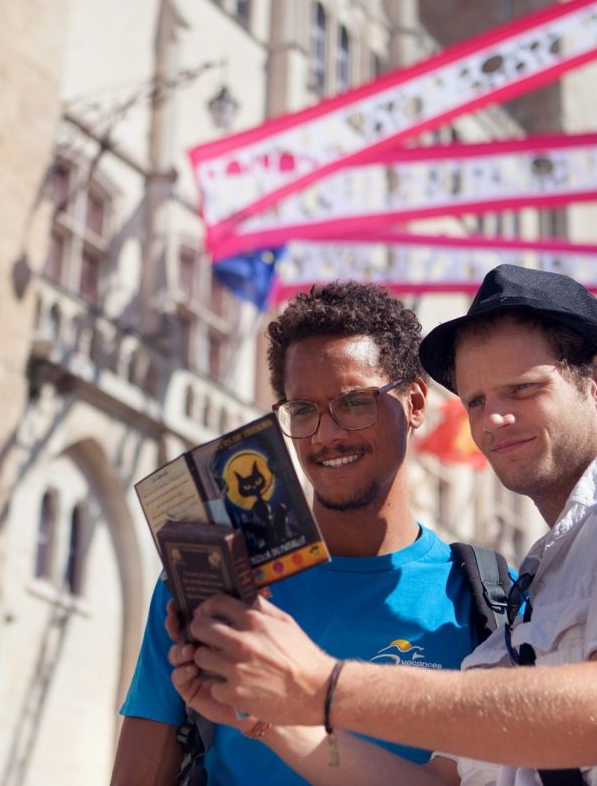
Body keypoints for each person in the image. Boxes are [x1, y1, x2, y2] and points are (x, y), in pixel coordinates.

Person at [171, 264, 597, 785]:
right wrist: (268, 715)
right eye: (476, 400)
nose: (492, 419)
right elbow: (438, 783)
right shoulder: (531, 591)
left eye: (521, 389)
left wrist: (324, 685)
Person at [112, 281, 487, 785]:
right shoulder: (216, 583)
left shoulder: (488, 601)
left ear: (416, 401)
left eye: (354, 403)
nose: (327, 435)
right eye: (303, 411)